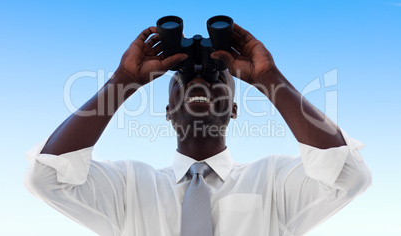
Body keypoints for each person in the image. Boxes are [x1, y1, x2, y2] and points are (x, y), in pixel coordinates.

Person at [25, 23, 371, 236]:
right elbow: (47, 178)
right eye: (184, 81)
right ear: (167, 112)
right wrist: (123, 82)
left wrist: (269, 79)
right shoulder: (129, 186)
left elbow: (347, 175)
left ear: (234, 109)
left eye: (217, 78)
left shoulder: (273, 181)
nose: (200, 80)